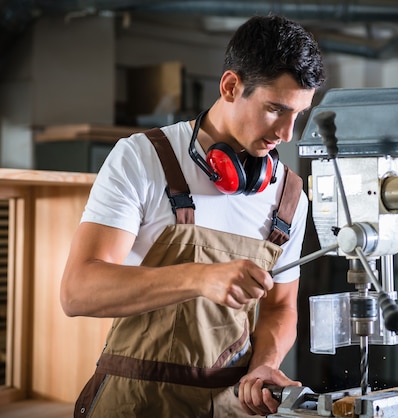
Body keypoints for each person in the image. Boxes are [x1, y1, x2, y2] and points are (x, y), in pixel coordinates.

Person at [60, 14, 326, 417]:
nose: (286, 134)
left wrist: (264, 367)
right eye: (275, 109)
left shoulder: (289, 196)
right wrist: (200, 277)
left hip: (231, 406)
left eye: (298, 115)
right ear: (231, 86)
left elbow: (280, 307)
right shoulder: (142, 158)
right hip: (137, 403)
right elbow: (78, 290)